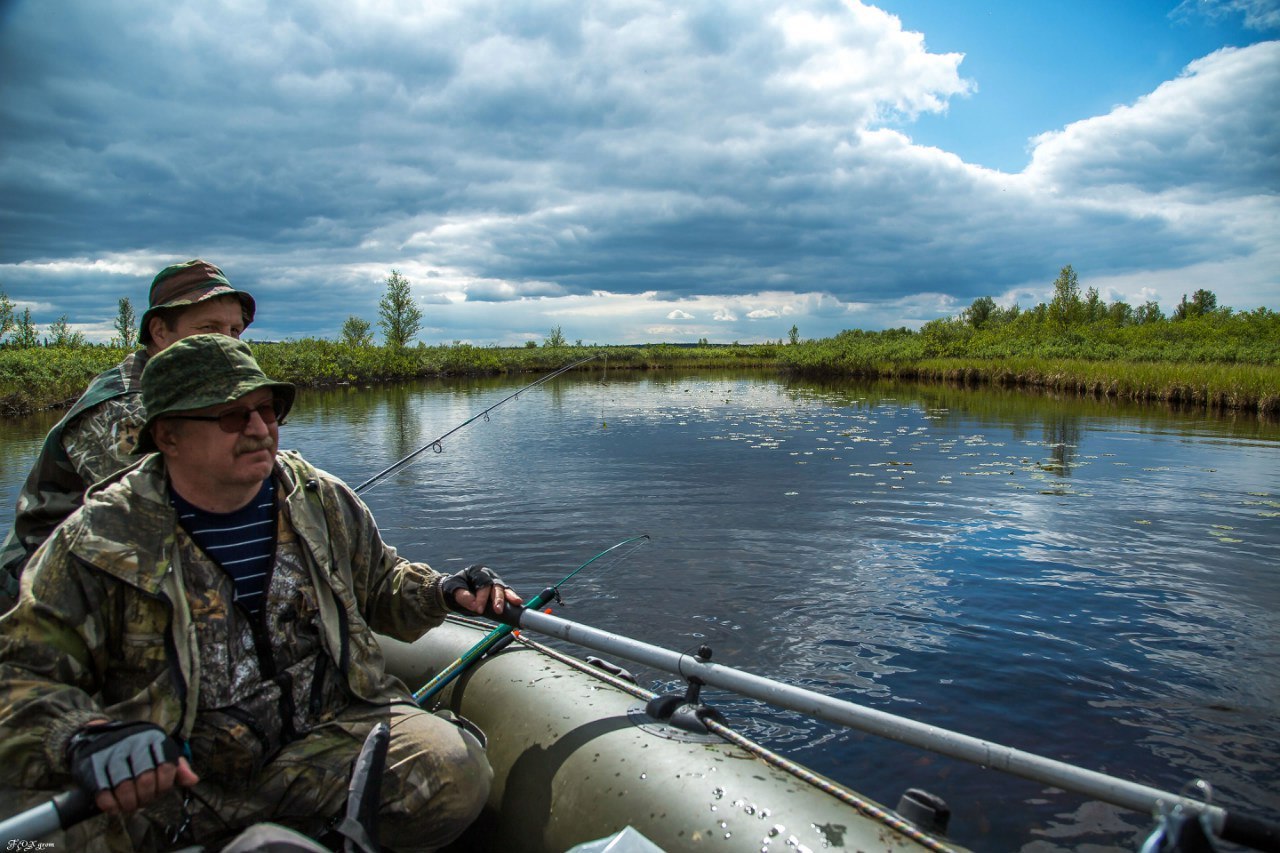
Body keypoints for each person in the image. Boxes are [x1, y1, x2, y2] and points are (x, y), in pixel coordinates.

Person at [0, 334, 521, 852]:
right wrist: (82, 735)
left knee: (453, 771)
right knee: (38, 832)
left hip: (318, 743)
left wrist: (444, 590)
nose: (258, 429)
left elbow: (381, 583)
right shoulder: (97, 539)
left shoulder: (317, 497)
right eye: (231, 416)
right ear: (168, 435)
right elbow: (21, 675)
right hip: (170, 783)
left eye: (267, 409)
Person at [0, 259, 256, 606]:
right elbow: (171, 511)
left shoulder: (187, 392)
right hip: (42, 590)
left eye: (234, 332)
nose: (226, 344)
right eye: (208, 329)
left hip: (114, 564)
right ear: (160, 332)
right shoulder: (124, 408)